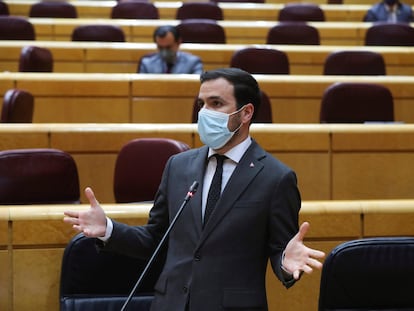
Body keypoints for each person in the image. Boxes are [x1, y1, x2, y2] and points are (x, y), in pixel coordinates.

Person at [64, 67, 325, 311]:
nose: (204, 112)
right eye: (202, 104)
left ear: (246, 113)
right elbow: (154, 240)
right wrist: (108, 229)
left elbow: (282, 251)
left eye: (216, 103)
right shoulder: (178, 166)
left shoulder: (276, 178)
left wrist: (284, 263)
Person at [138, 25, 203, 74]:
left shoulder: (193, 63)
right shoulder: (147, 64)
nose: (164, 52)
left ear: (178, 42)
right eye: (160, 48)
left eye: (168, 47)